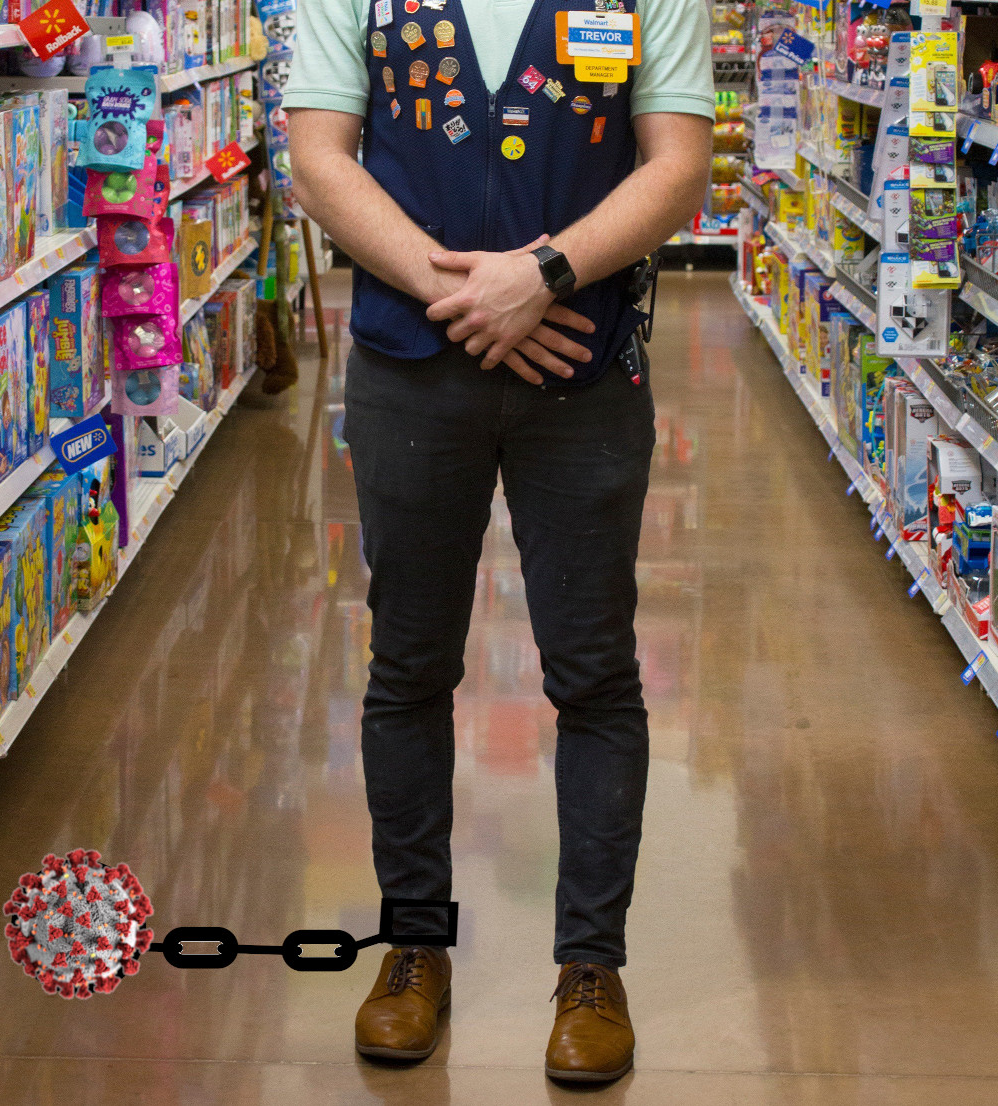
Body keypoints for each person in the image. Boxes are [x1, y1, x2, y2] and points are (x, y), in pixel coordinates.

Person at [283, 0, 713, 1083]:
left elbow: (678, 166)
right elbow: (319, 158)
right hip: (412, 365)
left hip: (583, 362)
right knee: (409, 662)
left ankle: (590, 966)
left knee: (594, 670)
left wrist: (547, 274)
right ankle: (412, 944)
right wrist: (467, 292)